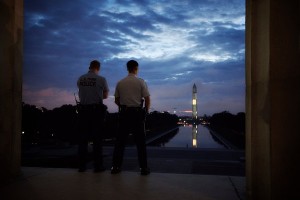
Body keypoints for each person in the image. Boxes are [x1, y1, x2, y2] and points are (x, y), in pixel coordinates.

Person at [111, 60, 151, 175]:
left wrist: (124, 107)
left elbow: (116, 100)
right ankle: (143, 168)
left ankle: (115, 167)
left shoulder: (120, 83)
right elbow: (147, 99)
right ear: (136, 68)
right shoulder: (141, 82)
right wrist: (146, 111)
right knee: (140, 143)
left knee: (120, 142)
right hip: (137, 114)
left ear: (127, 68)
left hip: (124, 114)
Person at [77, 60, 109, 172]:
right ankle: (98, 166)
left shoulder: (81, 78)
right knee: (97, 140)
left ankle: (81, 166)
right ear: (98, 68)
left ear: (89, 66)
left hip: (83, 111)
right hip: (96, 111)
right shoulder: (101, 79)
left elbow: (81, 91)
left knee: (83, 140)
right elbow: (105, 95)